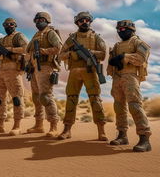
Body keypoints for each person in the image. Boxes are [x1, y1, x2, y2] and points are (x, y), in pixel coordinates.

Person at [58, 11, 107, 141]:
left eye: (86, 20)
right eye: (81, 21)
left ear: (90, 21)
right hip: (74, 72)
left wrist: (90, 53)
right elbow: (61, 55)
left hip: (91, 71)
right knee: (71, 100)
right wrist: (71, 54)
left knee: (95, 99)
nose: (84, 22)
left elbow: (102, 54)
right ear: (77, 23)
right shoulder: (72, 38)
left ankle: (101, 131)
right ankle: (67, 130)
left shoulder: (96, 37)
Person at [108, 20, 151, 152]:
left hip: (131, 76)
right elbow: (112, 62)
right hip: (117, 78)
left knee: (134, 105)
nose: (121, 31)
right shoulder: (116, 45)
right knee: (119, 106)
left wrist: (124, 57)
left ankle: (145, 139)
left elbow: (141, 58)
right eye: (119, 30)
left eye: (124, 29)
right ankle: (122, 135)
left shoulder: (139, 43)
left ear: (132, 30)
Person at [0, 18, 28, 136]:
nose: (8, 26)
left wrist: (9, 50)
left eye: (11, 24)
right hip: (1, 71)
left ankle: (17, 126)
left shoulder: (19, 36)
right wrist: (1, 52)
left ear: (15, 25)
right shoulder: (2, 40)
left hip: (14, 71)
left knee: (17, 99)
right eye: (5, 24)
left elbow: (26, 48)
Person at [26, 12, 61, 137]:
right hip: (34, 68)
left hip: (46, 67)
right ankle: (39, 125)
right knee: (36, 97)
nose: (39, 21)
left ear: (47, 21)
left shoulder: (50, 33)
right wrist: (29, 63)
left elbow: (58, 48)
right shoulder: (36, 35)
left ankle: (54, 126)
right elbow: (28, 50)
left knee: (46, 96)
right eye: (37, 20)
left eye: (41, 19)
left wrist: (43, 51)